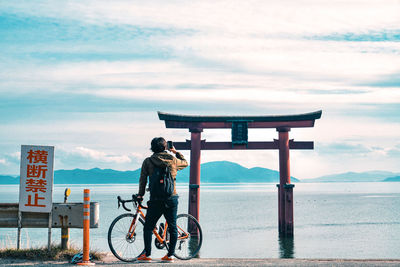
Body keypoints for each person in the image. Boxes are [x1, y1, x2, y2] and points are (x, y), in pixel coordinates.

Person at [136, 137, 188, 262]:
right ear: (165, 147)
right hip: (171, 198)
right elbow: (185, 162)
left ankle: (147, 255)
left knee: (148, 227)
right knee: (172, 226)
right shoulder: (173, 161)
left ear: (152, 148)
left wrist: (140, 195)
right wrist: (175, 152)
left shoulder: (148, 162)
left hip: (155, 199)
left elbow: (143, 180)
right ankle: (170, 256)